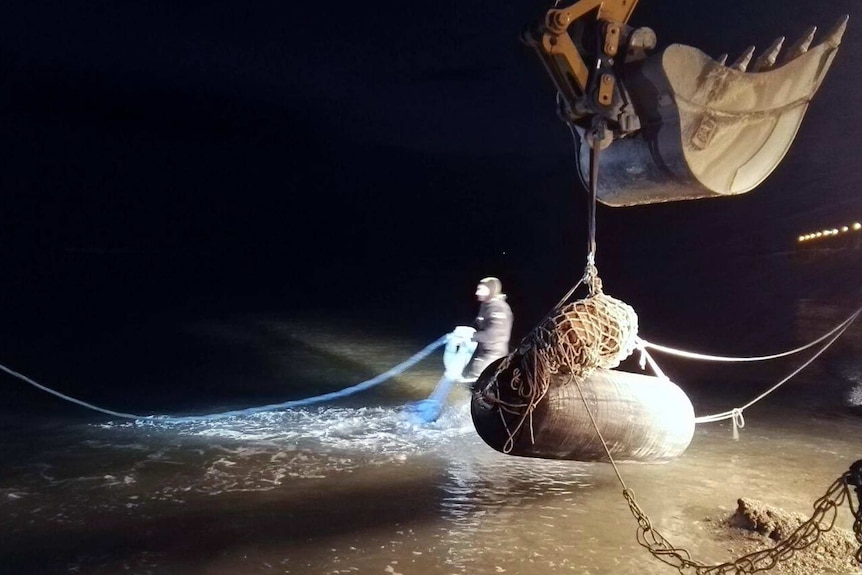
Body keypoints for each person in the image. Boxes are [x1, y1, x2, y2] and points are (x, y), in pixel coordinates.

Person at [463, 276, 513, 382]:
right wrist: (465, 330)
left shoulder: (499, 308)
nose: (477, 292)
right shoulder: (485, 305)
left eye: (481, 289)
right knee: (472, 384)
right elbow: (479, 325)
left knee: (478, 387)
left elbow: (494, 334)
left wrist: (471, 336)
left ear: (491, 291)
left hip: (493, 356)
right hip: (483, 354)